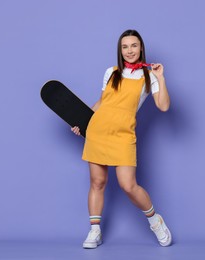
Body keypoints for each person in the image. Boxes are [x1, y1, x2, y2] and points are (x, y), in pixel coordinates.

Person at [71, 29, 172, 248]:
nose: (129, 50)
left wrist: (161, 78)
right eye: (125, 47)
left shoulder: (149, 76)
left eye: (133, 45)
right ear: (120, 50)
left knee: (128, 185)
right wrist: (82, 122)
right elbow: (101, 103)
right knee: (97, 182)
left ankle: (156, 221)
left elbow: (163, 106)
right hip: (98, 132)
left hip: (123, 135)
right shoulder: (111, 72)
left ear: (141, 47)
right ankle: (94, 231)